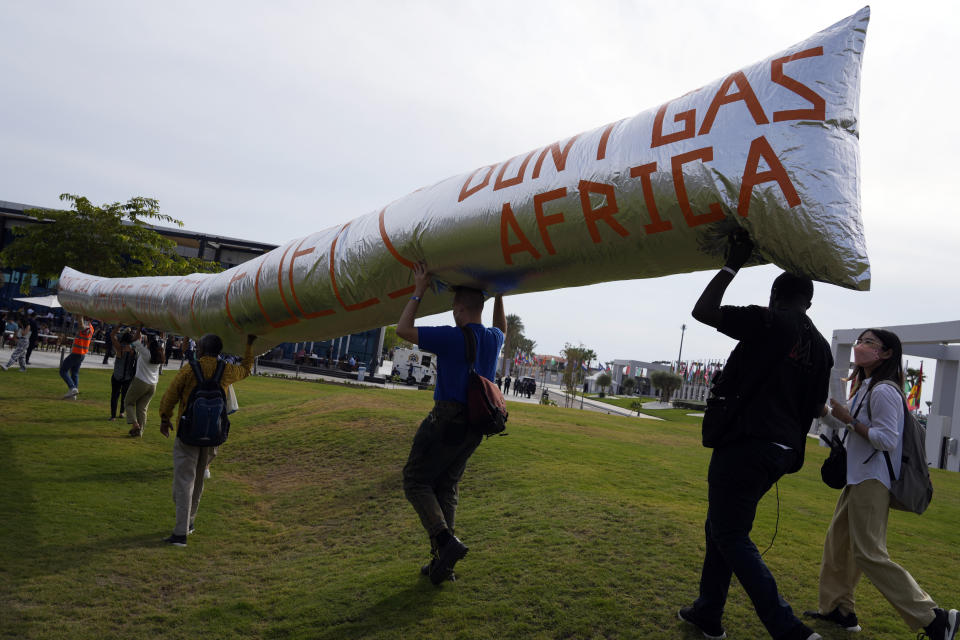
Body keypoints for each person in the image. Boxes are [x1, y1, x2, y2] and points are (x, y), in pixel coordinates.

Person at [678, 232, 832, 640]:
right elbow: (817, 408)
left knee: (730, 532)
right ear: (810, 303)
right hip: (782, 453)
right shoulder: (821, 348)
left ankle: (788, 629)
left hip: (745, 444)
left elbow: (704, 311)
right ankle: (707, 613)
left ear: (775, 294)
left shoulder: (767, 320)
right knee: (721, 527)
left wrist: (732, 264)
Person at [806, 329, 958, 639]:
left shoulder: (885, 391)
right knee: (839, 546)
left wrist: (849, 420)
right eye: (860, 341)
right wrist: (822, 410)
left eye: (869, 343)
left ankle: (933, 618)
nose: (860, 347)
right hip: (858, 476)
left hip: (873, 479)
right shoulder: (865, 386)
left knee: (869, 553)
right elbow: (844, 423)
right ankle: (839, 610)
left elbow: (887, 440)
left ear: (886, 354)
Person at [396, 262, 505, 585]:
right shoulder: (493, 339)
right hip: (475, 425)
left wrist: (418, 289)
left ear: (459, 310)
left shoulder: (450, 337)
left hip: (445, 418)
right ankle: (443, 565)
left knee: (415, 481)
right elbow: (503, 327)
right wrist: (500, 295)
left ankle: (445, 543)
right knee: (447, 487)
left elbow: (403, 329)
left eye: (454, 309)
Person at [158, 332, 256, 546]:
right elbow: (247, 368)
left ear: (201, 349)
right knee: (199, 480)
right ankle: (189, 523)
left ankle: (180, 533)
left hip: (188, 432)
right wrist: (249, 345)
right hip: (213, 434)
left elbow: (170, 395)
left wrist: (165, 418)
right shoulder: (226, 371)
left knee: (183, 482)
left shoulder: (189, 370)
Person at [124, 325, 165, 438]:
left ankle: (135, 425)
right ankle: (139, 432)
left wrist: (139, 327)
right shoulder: (160, 353)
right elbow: (161, 338)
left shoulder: (145, 352)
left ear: (150, 343)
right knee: (142, 408)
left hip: (141, 382)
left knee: (128, 402)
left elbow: (135, 340)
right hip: (153, 385)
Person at [59, 316, 93, 399]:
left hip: (77, 353)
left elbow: (81, 326)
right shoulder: (90, 327)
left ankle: (72, 388)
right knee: (74, 373)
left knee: (63, 370)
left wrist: (80, 314)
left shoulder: (87, 327)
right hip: (80, 354)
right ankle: (73, 395)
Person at [108, 327, 137, 421]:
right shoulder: (133, 350)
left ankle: (113, 416)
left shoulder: (119, 348)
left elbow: (112, 335)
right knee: (125, 396)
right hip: (128, 377)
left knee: (114, 396)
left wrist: (119, 325)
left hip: (117, 375)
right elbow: (139, 338)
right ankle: (121, 412)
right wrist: (139, 327)